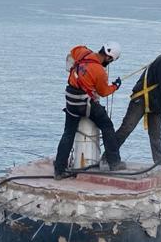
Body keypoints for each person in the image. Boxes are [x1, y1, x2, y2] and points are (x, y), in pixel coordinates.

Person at [54, 43, 126, 178]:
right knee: (107, 126)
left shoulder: (82, 53)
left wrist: (87, 53)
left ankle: (59, 169)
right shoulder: (99, 71)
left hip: (70, 99)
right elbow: (103, 92)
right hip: (84, 103)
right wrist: (115, 86)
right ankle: (114, 162)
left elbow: (74, 49)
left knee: (68, 133)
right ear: (109, 58)